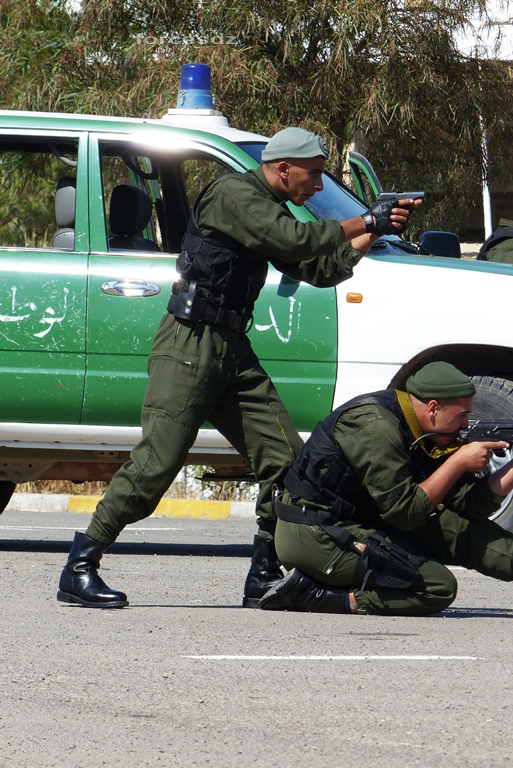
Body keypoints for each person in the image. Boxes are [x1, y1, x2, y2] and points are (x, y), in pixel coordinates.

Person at [57, 127, 421, 610]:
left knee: (287, 461)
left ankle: (264, 572)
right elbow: (296, 239)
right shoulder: (235, 195)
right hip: (190, 344)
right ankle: (81, 565)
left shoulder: (268, 207)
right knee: (156, 464)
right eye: (313, 176)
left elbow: (318, 268)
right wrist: (361, 219)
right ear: (283, 168)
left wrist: (375, 229)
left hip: (230, 348)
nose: (316, 185)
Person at [259, 361, 513, 621]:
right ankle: (312, 596)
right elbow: (405, 512)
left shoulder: (426, 431)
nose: (468, 422)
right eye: (462, 414)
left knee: (460, 527)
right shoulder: (375, 427)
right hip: (314, 533)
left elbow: (473, 506)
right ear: (431, 408)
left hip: (359, 522)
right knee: (435, 587)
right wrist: (458, 461)